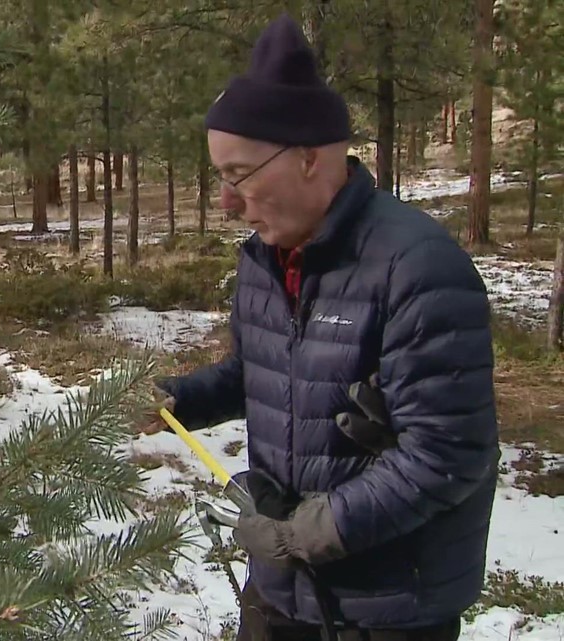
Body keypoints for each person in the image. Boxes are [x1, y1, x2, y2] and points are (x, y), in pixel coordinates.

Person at [155, 12, 500, 641]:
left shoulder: (416, 267)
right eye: (220, 177)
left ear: (310, 158)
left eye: (238, 176)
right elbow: (257, 369)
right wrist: (179, 398)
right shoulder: (265, 257)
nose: (227, 202)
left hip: (389, 607)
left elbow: (449, 453)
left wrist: (307, 533)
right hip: (283, 593)